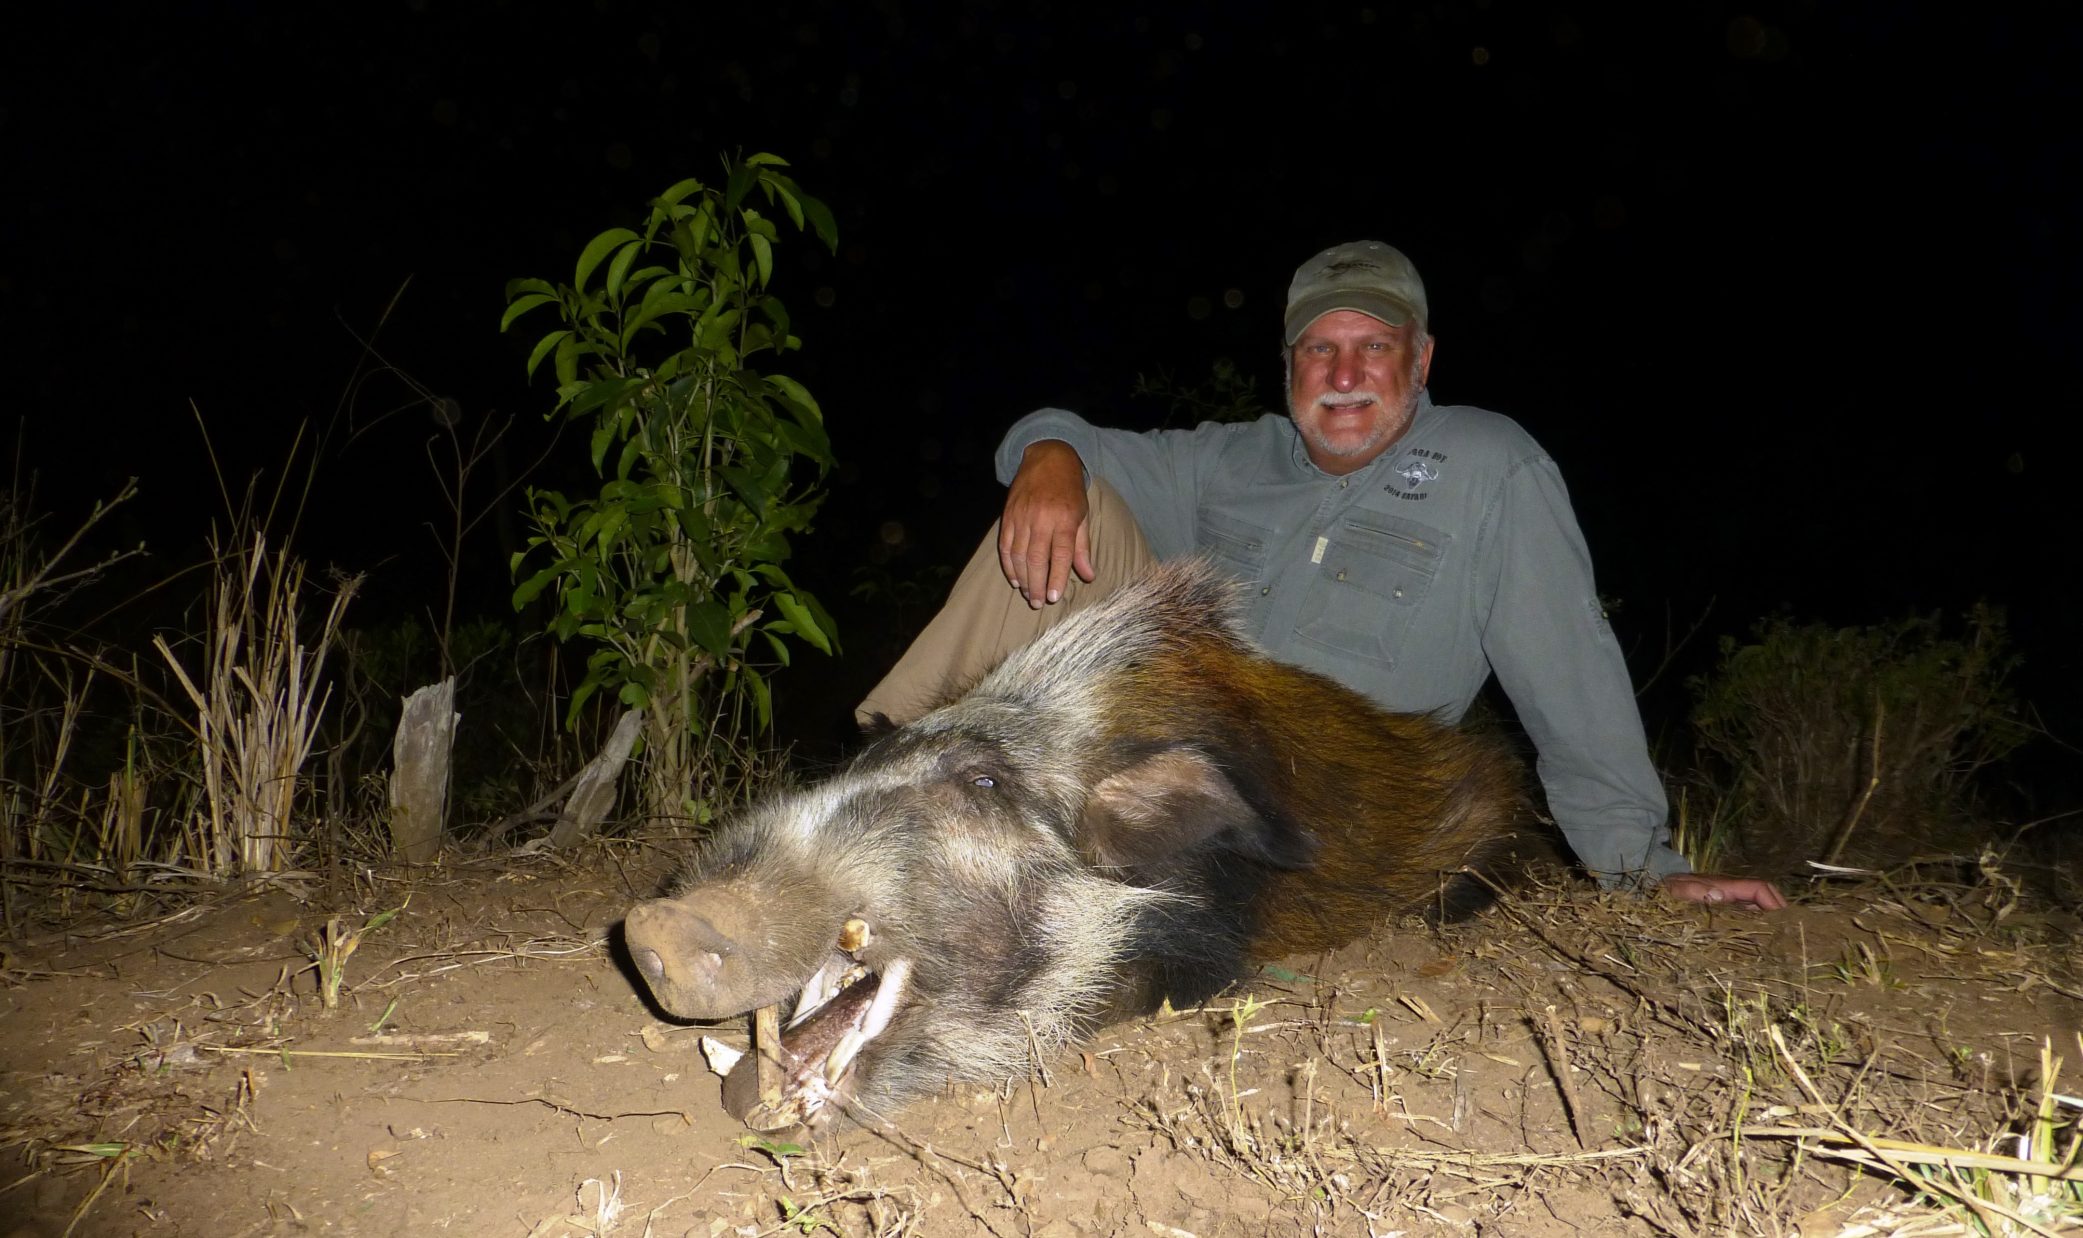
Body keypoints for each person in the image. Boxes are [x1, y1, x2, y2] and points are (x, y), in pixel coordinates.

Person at [861, 240, 1784, 910]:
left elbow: (1567, 663)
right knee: (1073, 504)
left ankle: (1015, 852)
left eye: (1372, 346)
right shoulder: (1231, 459)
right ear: (1289, 367)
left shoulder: (1489, 465)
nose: (1343, 372)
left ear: (1420, 361)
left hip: (1320, 794)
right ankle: (881, 788)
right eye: (1318, 348)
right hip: (1173, 747)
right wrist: (1049, 457)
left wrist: (1639, 866)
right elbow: (1068, 440)